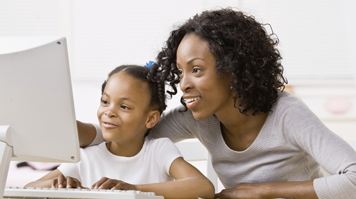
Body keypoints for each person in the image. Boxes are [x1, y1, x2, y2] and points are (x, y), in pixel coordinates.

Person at [78, 8, 356, 199]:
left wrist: (261, 190)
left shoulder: (286, 113)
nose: (184, 83)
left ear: (233, 69)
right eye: (181, 71)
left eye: (196, 70)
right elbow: (133, 128)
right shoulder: (198, 117)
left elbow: (353, 178)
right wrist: (71, 130)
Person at [25, 65, 215, 199]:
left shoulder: (158, 150)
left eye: (124, 106)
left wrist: (134, 190)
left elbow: (204, 187)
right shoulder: (87, 158)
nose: (109, 111)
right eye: (105, 101)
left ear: (151, 119)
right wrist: (57, 184)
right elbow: (29, 188)